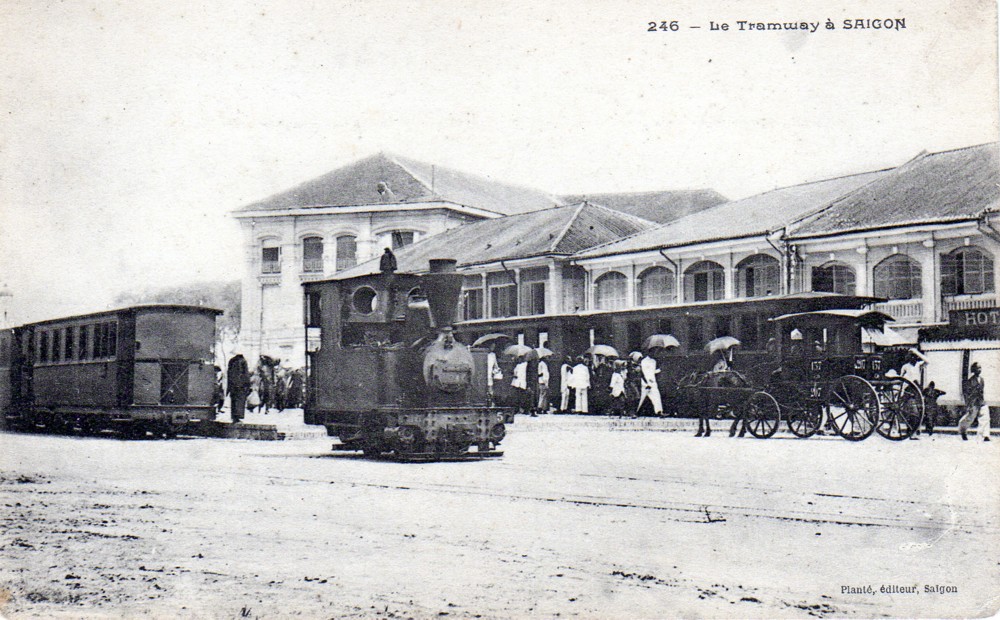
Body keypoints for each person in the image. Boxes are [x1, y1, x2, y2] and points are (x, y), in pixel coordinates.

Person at [959, 362, 989, 441]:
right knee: (970, 418)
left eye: (980, 368)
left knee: (985, 418)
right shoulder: (970, 381)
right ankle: (963, 431)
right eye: (977, 368)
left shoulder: (982, 380)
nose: (979, 370)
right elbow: (968, 395)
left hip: (982, 402)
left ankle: (985, 435)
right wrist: (969, 405)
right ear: (973, 370)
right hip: (974, 403)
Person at [226, 354, 251, 424]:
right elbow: (246, 374)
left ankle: (234, 417)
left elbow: (229, 373)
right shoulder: (243, 361)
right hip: (241, 385)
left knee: (234, 400)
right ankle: (238, 417)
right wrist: (248, 384)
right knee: (240, 401)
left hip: (232, 384)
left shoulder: (231, 361)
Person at [637, 352, 663, 417]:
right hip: (645, 383)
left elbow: (652, 372)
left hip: (653, 382)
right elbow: (643, 373)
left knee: (656, 396)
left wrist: (658, 370)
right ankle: (635, 411)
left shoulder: (654, 361)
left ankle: (659, 411)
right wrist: (647, 383)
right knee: (641, 397)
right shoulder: (644, 361)